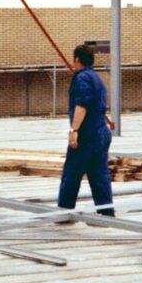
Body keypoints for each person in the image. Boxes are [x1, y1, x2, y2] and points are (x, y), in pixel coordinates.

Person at [57, 44, 115, 217]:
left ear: (76, 59)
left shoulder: (82, 78)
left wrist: (74, 130)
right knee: (99, 175)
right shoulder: (96, 78)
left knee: (71, 174)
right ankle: (106, 211)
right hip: (101, 133)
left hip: (87, 135)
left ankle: (64, 212)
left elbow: (82, 104)